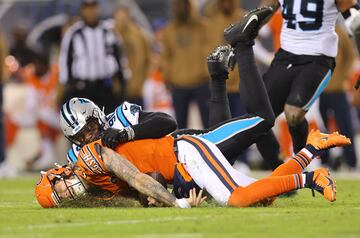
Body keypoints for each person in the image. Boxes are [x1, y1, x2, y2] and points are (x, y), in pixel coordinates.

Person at [35, 8, 351, 208]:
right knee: (260, 193)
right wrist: (155, 197)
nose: (90, 136)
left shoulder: (115, 126)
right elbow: (138, 181)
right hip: (181, 169)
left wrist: (126, 133)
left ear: (96, 117)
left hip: (186, 149)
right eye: (82, 136)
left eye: (90, 127)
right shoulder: (83, 161)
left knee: (262, 119)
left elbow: (165, 123)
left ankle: (241, 46)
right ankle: (310, 151)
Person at [245, 0, 360, 170]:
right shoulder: (276, 17)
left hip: (317, 60)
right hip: (284, 59)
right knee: (258, 116)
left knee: (296, 113)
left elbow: (354, 17)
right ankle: (279, 169)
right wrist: (243, 37)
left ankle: (302, 162)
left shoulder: (338, 30)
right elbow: (259, 16)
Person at [58, 0, 129, 114]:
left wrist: (122, 83)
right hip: (82, 87)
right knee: (84, 126)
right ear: (82, 10)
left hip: (105, 86)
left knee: (108, 123)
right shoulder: (74, 33)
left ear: (98, 8)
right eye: (87, 8)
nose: (90, 12)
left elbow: (119, 58)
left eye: (93, 7)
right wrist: (67, 86)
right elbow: (65, 61)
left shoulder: (109, 31)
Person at [161, 0, 210, 129]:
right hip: (179, 84)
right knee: (180, 125)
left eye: (184, 4)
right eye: (178, 4)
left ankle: (212, 148)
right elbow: (166, 57)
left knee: (209, 123)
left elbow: (210, 50)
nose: (181, 7)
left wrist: (207, 73)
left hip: (202, 82)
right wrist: (167, 78)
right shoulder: (169, 30)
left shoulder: (202, 27)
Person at [319, 25, 358, 170]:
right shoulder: (317, 29)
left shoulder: (340, 30)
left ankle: (351, 162)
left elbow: (351, 55)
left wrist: (343, 77)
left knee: (345, 125)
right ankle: (325, 161)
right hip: (319, 90)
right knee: (322, 128)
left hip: (338, 88)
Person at [113, 5, 151, 107]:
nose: (122, 18)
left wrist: (141, 82)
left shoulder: (139, 35)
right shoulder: (109, 34)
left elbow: (148, 60)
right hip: (114, 92)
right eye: (120, 14)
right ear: (115, 15)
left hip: (136, 90)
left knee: (138, 122)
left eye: (125, 14)